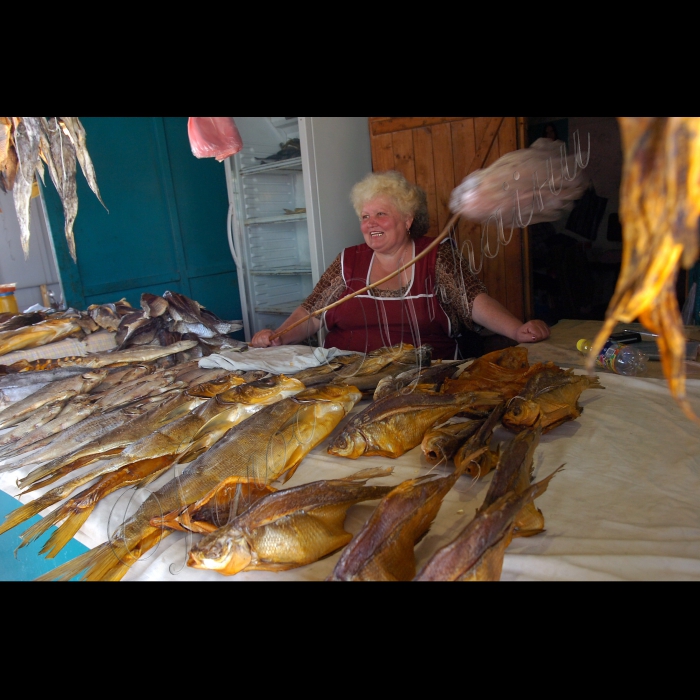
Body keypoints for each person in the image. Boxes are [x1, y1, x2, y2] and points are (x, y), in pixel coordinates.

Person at [251, 171, 550, 358]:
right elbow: (311, 313)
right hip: (348, 381)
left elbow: (471, 299)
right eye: (365, 217)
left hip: (424, 379)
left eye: (381, 214)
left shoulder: (435, 253)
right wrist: (277, 337)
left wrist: (517, 330)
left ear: (407, 220)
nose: (370, 224)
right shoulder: (348, 260)